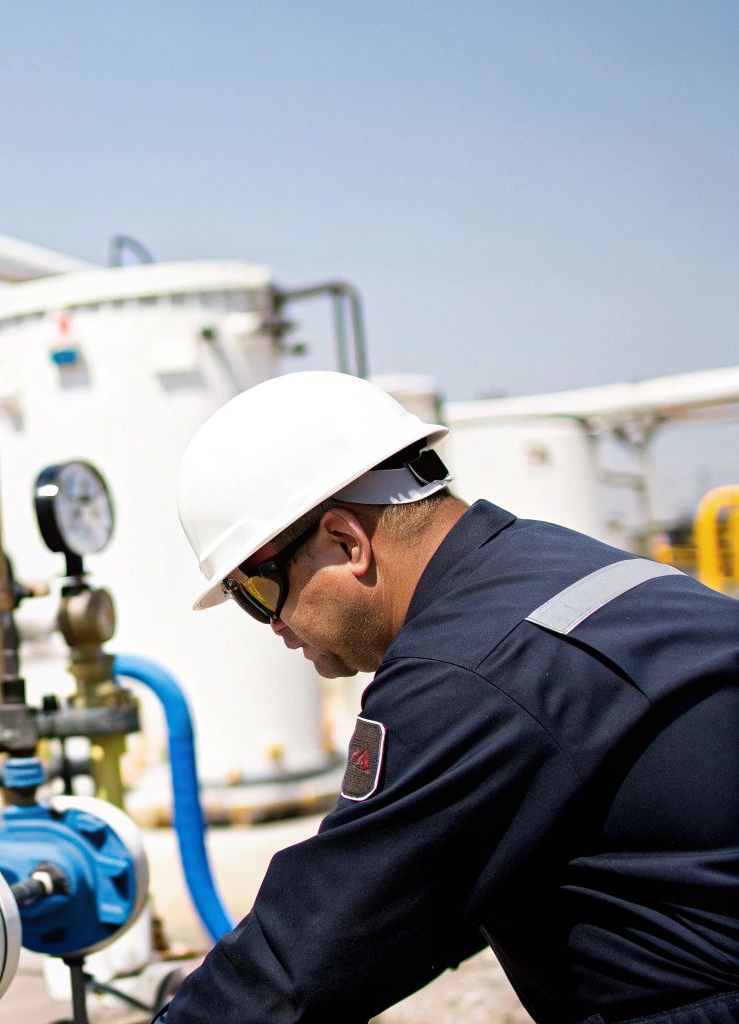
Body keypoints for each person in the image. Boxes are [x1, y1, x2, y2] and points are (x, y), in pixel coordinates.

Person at [153, 371, 739, 1024]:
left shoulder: (466, 671)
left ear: (347, 542)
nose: (276, 626)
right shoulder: (557, 565)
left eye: (258, 593)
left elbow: (305, 959)